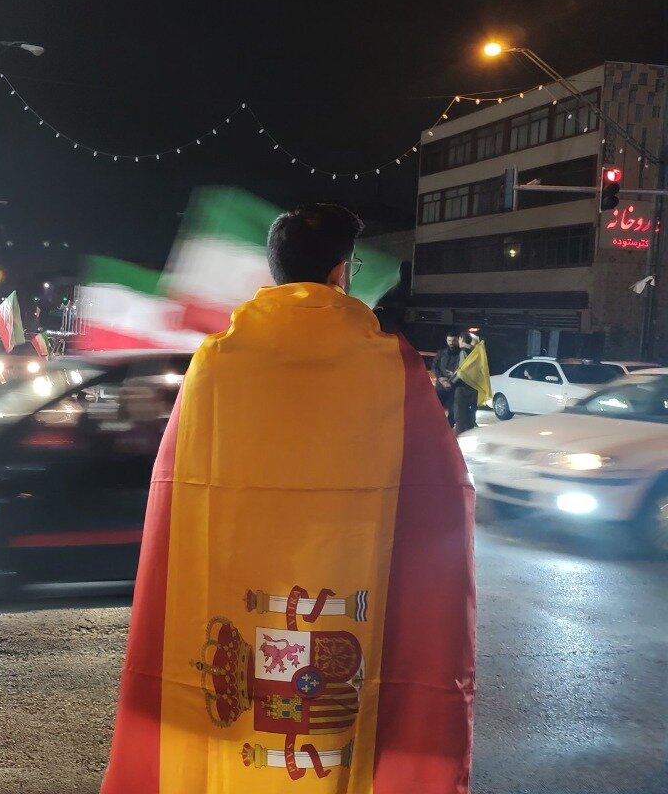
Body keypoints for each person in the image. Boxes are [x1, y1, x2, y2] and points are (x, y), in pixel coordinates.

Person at [102, 204, 475, 794]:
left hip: (237, 587)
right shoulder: (389, 363)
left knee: (239, 726)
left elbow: (179, 488)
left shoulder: (217, 361)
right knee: (332, 731)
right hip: (348, 594)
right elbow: (440, 496)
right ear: (340, 270)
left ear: (274, 272)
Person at [453, 331, 490, 434]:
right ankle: (469, 434)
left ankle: (460, 437)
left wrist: (451, 381)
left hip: (463, 388)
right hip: (474, 388)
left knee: (460, 415)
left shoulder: (463, 352)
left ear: (461, 339)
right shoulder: (476, 353)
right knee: (471, 414)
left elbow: (462, 371)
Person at [434, 332, 462, 425]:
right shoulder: (441, 353)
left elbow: (462, 369)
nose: (451, 343)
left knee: (453, 410)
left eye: (453, 340)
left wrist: (451, 380)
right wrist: (441, 378)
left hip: (454, 386)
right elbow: (435, 366)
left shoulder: (461, 354)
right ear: (446, 340)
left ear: (457, 340)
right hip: (440, 386)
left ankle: (449, 428)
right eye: (449, 340)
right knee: (436, 408)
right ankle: (436, 424)